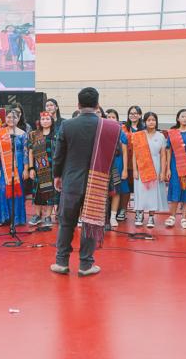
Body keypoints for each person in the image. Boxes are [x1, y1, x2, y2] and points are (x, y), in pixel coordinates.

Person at [51, 87, 121, 277]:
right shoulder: (110, 127)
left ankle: (61, 262)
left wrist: (57, 176)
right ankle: (86, 264)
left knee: (66, 222)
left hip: (71, 181)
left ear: (78, 104)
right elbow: (115, 153)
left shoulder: (67, 125)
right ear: (98, 105)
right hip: (97, 182)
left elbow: (58, 155)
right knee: (91, 222)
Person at [132, 111, 169, 228]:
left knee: (153, 192)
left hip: (156, 166)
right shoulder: (138, 135)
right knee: (141, 191)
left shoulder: (161, 136)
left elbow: (163, 155)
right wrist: (135, 170)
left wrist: (162, 171)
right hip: (141, 167)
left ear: (156, 122)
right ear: (144, 122)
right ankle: (140, 214)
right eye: (149, 120)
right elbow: (134, 154)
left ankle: (151, 216)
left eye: (153, 120)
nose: (151, 122)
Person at [0, 110, 29, 226]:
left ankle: (16, 218)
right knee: (3, 189)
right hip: (4, 165)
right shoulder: (0, 133)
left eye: (14, 117)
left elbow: (26, 153)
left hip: (19, 164)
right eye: (8, 117)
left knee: (17, 190)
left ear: (18, 119)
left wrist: (26, 169)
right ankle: (3, 217)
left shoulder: (23, 134)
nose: (11, 119)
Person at [28, 112, 58, 227]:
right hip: (38, 168)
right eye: (43, 119)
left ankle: (48, 216)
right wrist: (31, 168)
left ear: (51, 121)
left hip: (52, 168)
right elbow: (31, 152)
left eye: (47, 119)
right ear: (39, 121)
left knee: (50, 193)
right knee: (37, 192)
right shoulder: (35, 134)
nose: (45, 121)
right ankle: (37, 215)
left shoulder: (56, 135)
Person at [119, 105, 144, 222]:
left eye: (135, 113)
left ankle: (139, 211)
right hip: (126, 162)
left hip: (141, 163)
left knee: (140, 189)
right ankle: (123, 210)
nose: (133, 115)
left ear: (140, 115)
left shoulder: (144, 129)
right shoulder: (123, 128)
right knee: (126, 188)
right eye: (131, 113)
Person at [105, 109, 128, 228]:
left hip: (117, 165)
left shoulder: (121, 133)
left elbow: (125, 153)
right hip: (104, 166)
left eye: (113, 117)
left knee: (116, 191)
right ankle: (104, 216)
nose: (111, 119)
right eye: (108, 117)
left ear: (117, 120)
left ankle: (113, 217)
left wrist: (124, 169)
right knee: (104, 191)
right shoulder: (101, 131)